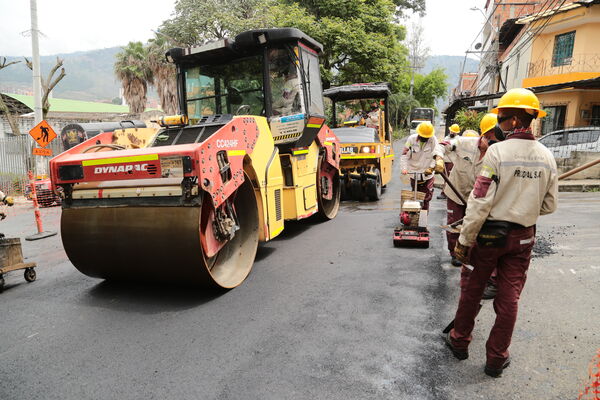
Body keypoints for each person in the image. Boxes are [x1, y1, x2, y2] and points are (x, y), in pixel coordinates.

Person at [444, 88, 558, 378]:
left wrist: (465, 240)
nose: (500, 123)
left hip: (489, 237)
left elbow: (480, 202)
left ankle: (459, 342)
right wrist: (522, 207)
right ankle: (496, 359)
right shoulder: (547, 156)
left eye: (502, 117)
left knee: (472, 288)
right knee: (509, 297)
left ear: (513, 120)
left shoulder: (497, 152)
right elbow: (549, 205)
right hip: (523, 238)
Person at [400, 121, 443, 211]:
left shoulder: (433, 140)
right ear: (419, 134)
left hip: (427, 173)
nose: (425, 138)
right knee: (415, 194)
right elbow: (404, 155)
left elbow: (436, 152)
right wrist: (404, 169)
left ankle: (424, 214)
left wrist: (432, 167)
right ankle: (414, 213)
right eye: (423, 136)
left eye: (427, 137)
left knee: (426, 196)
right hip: (414, 172)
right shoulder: (411, 139)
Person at [437, 123, 462, 200]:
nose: (451, 132)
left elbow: (451, 148)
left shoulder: (458, 139)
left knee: (449, 178)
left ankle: (445, 193)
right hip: (445, 160)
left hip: (452, 161)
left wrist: (447, 145)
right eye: (451, 131)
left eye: (453, 131)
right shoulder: (447, 137)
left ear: (456, 132)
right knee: (446, 178)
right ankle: (446, 192)